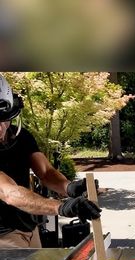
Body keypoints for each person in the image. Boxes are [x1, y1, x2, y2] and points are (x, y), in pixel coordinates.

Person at [0, 74, 101, 248]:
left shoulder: (21, 136)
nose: (0, 128)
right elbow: (8, 193)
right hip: (3, 238)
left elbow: (46, 172)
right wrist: (60, 207)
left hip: (29, 229)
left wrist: (68, 187)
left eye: (4, 119)